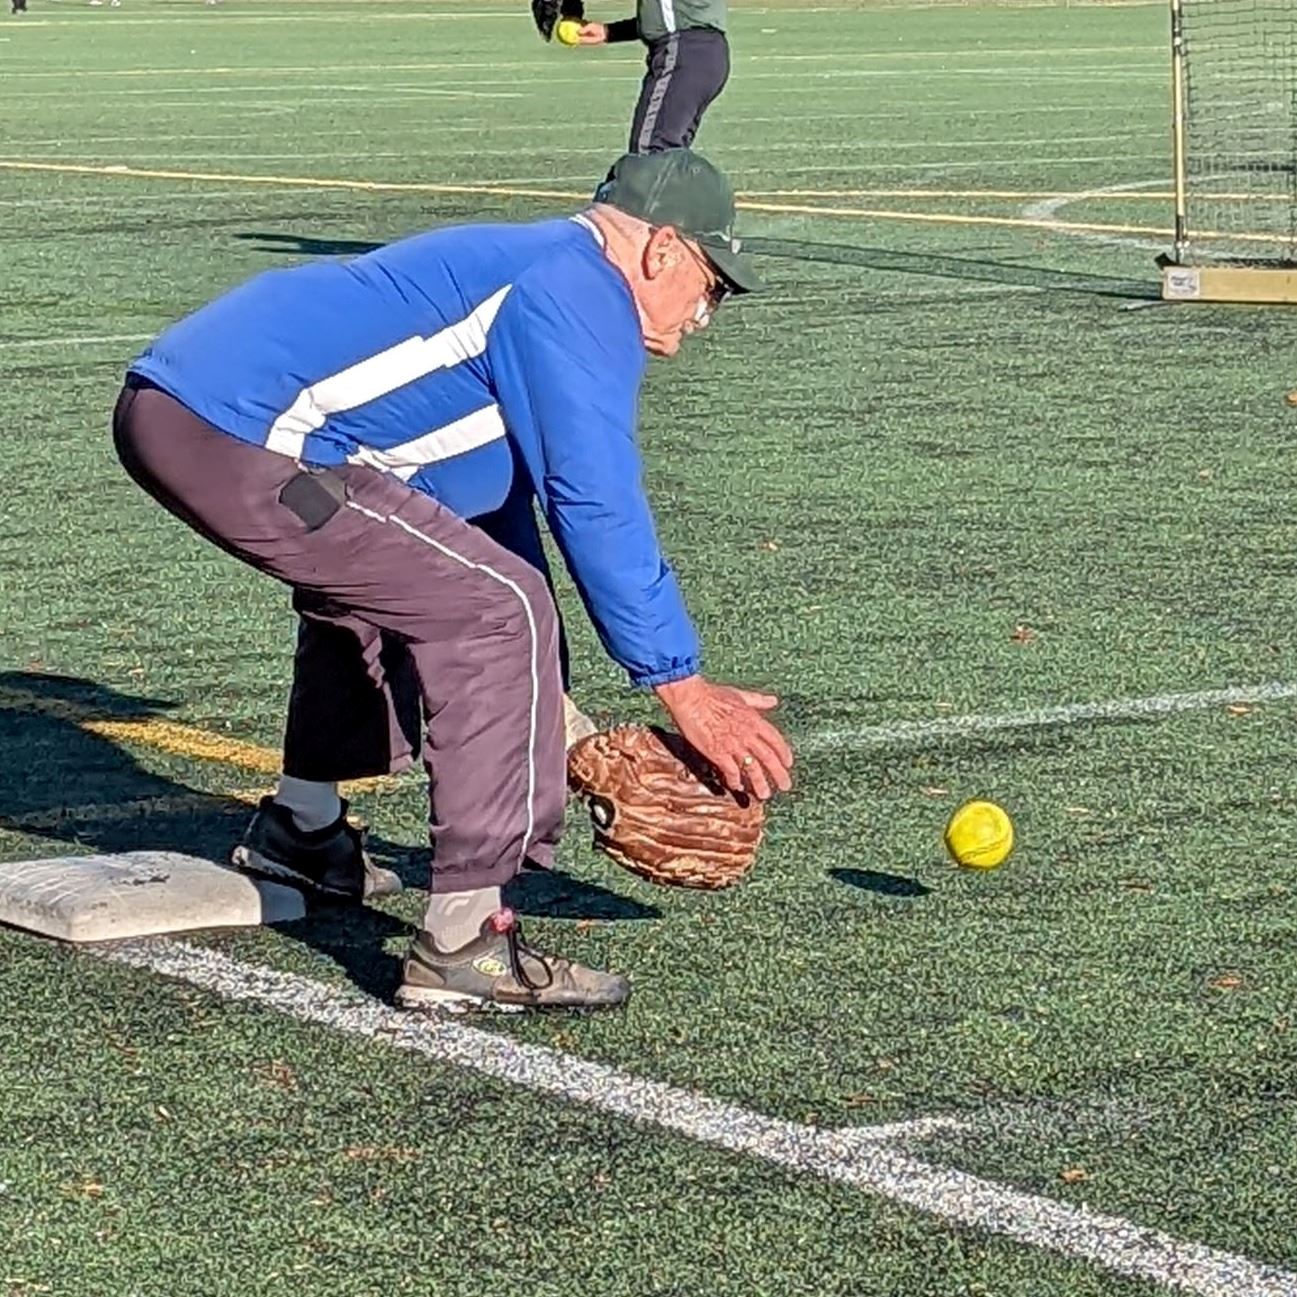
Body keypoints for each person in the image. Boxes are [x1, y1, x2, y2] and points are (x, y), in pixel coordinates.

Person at [111, 147, 793, 1015]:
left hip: (201, 412)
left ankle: (303, 830)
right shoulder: (579, 292)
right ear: (660, 249)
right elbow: (594, 498)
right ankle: (464, 939)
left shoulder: (539, 269)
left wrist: (566, 730)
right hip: (233, 430)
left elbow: (486, 520)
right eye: (711, 283)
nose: (705, 312)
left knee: (423, 585)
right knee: (495, 614)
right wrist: (680, 684)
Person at [566, 0, 729, 153]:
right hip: (704, 55)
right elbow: (667, 15)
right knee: (669, 157)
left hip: (684, 53)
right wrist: (610, 31)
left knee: (649, 154)